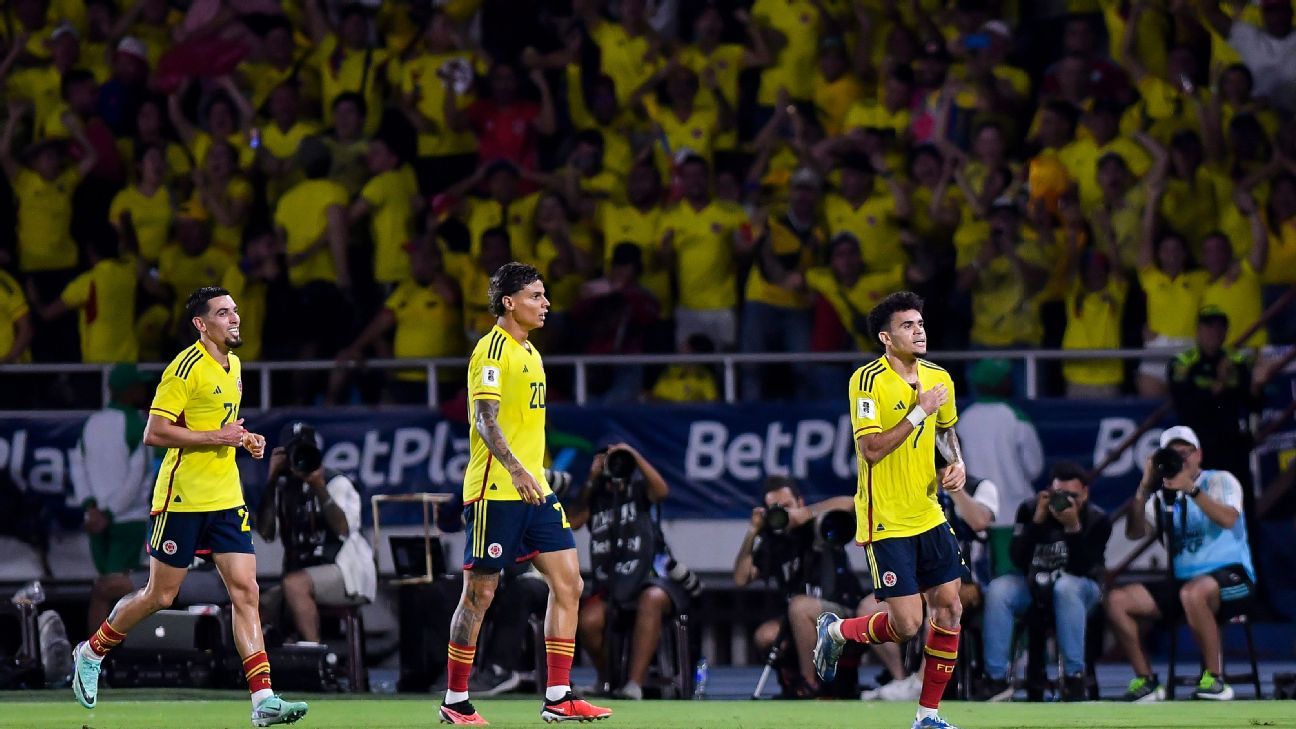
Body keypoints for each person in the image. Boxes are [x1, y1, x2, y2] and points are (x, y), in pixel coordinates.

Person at [70, 286, 308, 727]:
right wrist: (217, 438)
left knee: (246, 591)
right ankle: (92, 650)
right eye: (224, 313)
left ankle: (263, 701)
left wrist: (245, 438)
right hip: (180, 498)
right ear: (202, 324)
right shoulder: (184, 368)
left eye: (236, 310)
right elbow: (155, 433)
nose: (235, 319)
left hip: (225, 498)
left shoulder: (234, 365)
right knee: (160, 595)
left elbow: (221, 426)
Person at [439, 262, 610, 725]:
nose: (546, 303)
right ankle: (455, 700)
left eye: (545, 295)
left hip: (535, 490)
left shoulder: (531, 352)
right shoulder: (490, 352)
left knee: (569, 583)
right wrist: (515, 469)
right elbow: (485, 419)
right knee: (479, 595)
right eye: (536, 295)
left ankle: (558, 695)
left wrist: (535, 472)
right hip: (496, 489)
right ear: (509, 302)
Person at [813, 290, 968, 729]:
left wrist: (957, 462)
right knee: (906, 625)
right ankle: (838, 631)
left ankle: (928, 715)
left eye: (920, 324)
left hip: (929, 511)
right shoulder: (867, 380)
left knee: (951, 607)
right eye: (907, 325)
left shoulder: (939, 377)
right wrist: (918, 412)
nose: (918, 331)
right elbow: (870, 448)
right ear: (885, 336)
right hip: (885, 518)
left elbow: (948, 429)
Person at [1105, 425, 1256, 702]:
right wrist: (1143, 489)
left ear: (1199, 454)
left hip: (1234, 579)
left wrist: (1192, 489)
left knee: (1193, 593)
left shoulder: (1220, 481)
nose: (1181, 460)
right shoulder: (1162, 496)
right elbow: (1134, 532)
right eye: (1173, 455)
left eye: (1185, 453)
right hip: (1184, 583)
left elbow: (1228, 519)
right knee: (1117, 600)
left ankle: (1215, 680)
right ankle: (1146, 680)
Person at [733, 477, 884, 700]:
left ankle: (810, 685)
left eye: (787, 507)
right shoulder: (774, 542)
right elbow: (741, 578)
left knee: (799, 607)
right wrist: (752, 531)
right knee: (767, 635)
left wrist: (808, 513)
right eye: (776, 509)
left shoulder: (819, 524)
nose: (783, 513)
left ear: (799, 502)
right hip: (799, 621)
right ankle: (791, 683)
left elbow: (852, 504)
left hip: (842, 610)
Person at [976, 462, 1111, 702]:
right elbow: (1017, 559)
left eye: (1073, 496)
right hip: (1034, 586)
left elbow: (1082, 568)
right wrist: (1036, 524)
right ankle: (995, 679)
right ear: (1050, 491)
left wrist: (1073, 527)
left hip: (1082, 590)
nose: (1066, 501)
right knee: (999, 589)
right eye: (1061, 494)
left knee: (1066, 587)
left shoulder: (1098, 519)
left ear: (1086, 494)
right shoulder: (1030, 510)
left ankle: (1074, 678)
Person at [572, 443, 684, 700]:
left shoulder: (639, 490)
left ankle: (634, 684)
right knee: (588, 621)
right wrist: (592, 479)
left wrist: (633, 454)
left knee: (651, 600)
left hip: (649, 580)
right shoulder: (597, 496)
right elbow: (572, 522)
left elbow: (662, 491)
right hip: (610, 585)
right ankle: (607, 680)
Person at [257, 422, 375, 645]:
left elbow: (344, 530)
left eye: (306, 451)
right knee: (255, 606)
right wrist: (271, 482)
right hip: (303, 573)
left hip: (346, 571)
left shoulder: (336, 482)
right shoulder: (283, 487)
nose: (300, 459)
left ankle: (316, 658)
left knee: (295, 585)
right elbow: (266, 533)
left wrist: (319, 487)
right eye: (294, 452)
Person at [71, 364, 155, 630]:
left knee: (103, 588)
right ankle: (120, 655)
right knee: (125, 592)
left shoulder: (91, 423)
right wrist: (107, 513)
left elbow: (77, 467)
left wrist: (91, 508)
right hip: (127, 520)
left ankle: (95, 658)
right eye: (139, 385)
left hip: (96, 520)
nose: (144, 389)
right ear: (129, 391)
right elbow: (136, 478)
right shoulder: (137, 424)